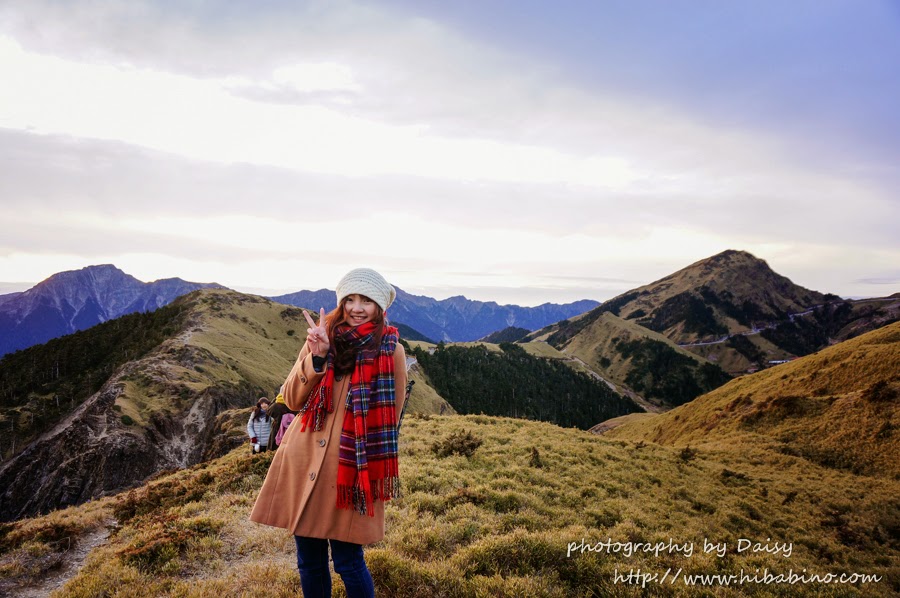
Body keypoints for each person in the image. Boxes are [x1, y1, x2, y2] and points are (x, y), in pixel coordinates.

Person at [250, 268, 407, 598]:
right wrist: (316, 358)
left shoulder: (391, 350)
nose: (356, 307)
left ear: (380, 306)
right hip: (304, 460)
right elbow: (292, 399)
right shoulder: (321, 339)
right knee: (309, 562)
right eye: (350, 299)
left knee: (349, 562)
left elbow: (389, 419)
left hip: (350, 470)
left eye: (366, 300)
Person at [266, 385, 294, 451]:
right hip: (292, 431)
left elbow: (269, 411)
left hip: (277, 431)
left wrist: (275, 399)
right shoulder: (294, 405)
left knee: (274, 451)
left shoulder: (276, 406)